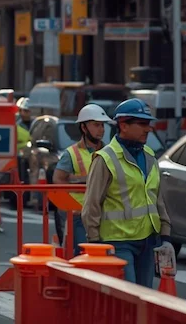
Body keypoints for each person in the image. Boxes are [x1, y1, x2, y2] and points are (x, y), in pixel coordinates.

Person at [82, 98, 173, 287]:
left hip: (148, 241)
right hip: (118, 242)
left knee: (143, 299)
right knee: (127, 298)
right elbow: (92, 204)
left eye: (148, 124)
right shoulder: (105, 159)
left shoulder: (149, 156)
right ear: (123, 125)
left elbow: (157, 199)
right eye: (142, 124)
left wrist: (165, 236)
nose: (148, 129)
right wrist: (95, 243)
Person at [52, 103, 111, 256]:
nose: (101, 130)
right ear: (84, 128)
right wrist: (78, 183)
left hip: (105, 214)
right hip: (79, 215)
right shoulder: (71, 154)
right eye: (96, 125)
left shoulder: (109, 152)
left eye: (102, 125)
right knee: (83, 255)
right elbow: (58, 180)